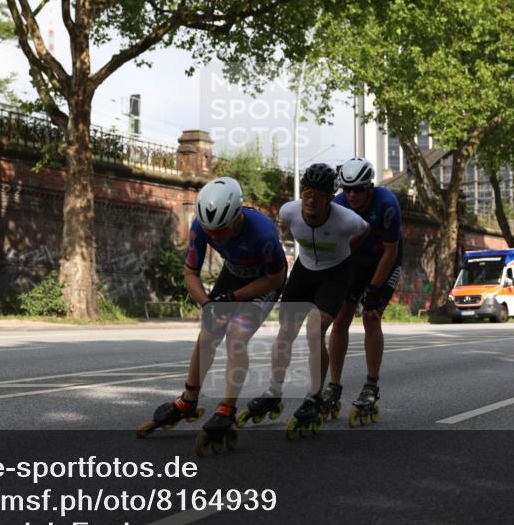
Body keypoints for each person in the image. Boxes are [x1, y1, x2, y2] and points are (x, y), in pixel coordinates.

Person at [136, 177, 287, 455]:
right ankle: (188, 399)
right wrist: (207, 304)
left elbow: (275, 277)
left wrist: (233, 298)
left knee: (236, 335)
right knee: (208, 333)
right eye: (210, 230)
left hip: (264, 282)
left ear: (237, 217)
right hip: (234, 274)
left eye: (222, 230)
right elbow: (191, 274)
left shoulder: (262, 233)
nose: (215, 236)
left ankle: (227, 407)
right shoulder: (201, 226)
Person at [238, 163, 369, 439]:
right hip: (304, 269)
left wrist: (347, 250)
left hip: (336, 273)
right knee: (285, 331)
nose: (310, 199)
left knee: (315, 330)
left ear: (329, 199)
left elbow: (365, 229)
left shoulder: (347, 221)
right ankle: (274, 391)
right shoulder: (289, 212)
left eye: (318, 195)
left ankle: (314, 397)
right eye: (307, 192)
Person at [321, 157, 403, 426]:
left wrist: (375, 288)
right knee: (341, 317)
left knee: (370, 316)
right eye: (347, 189)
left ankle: (371, 385)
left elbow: (391, 251)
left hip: (385, 259)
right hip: (356, 260)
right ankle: (334, 385)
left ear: (370, 186)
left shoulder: (387, 204)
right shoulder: (338, 205)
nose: (352, 194)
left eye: (358, 189)